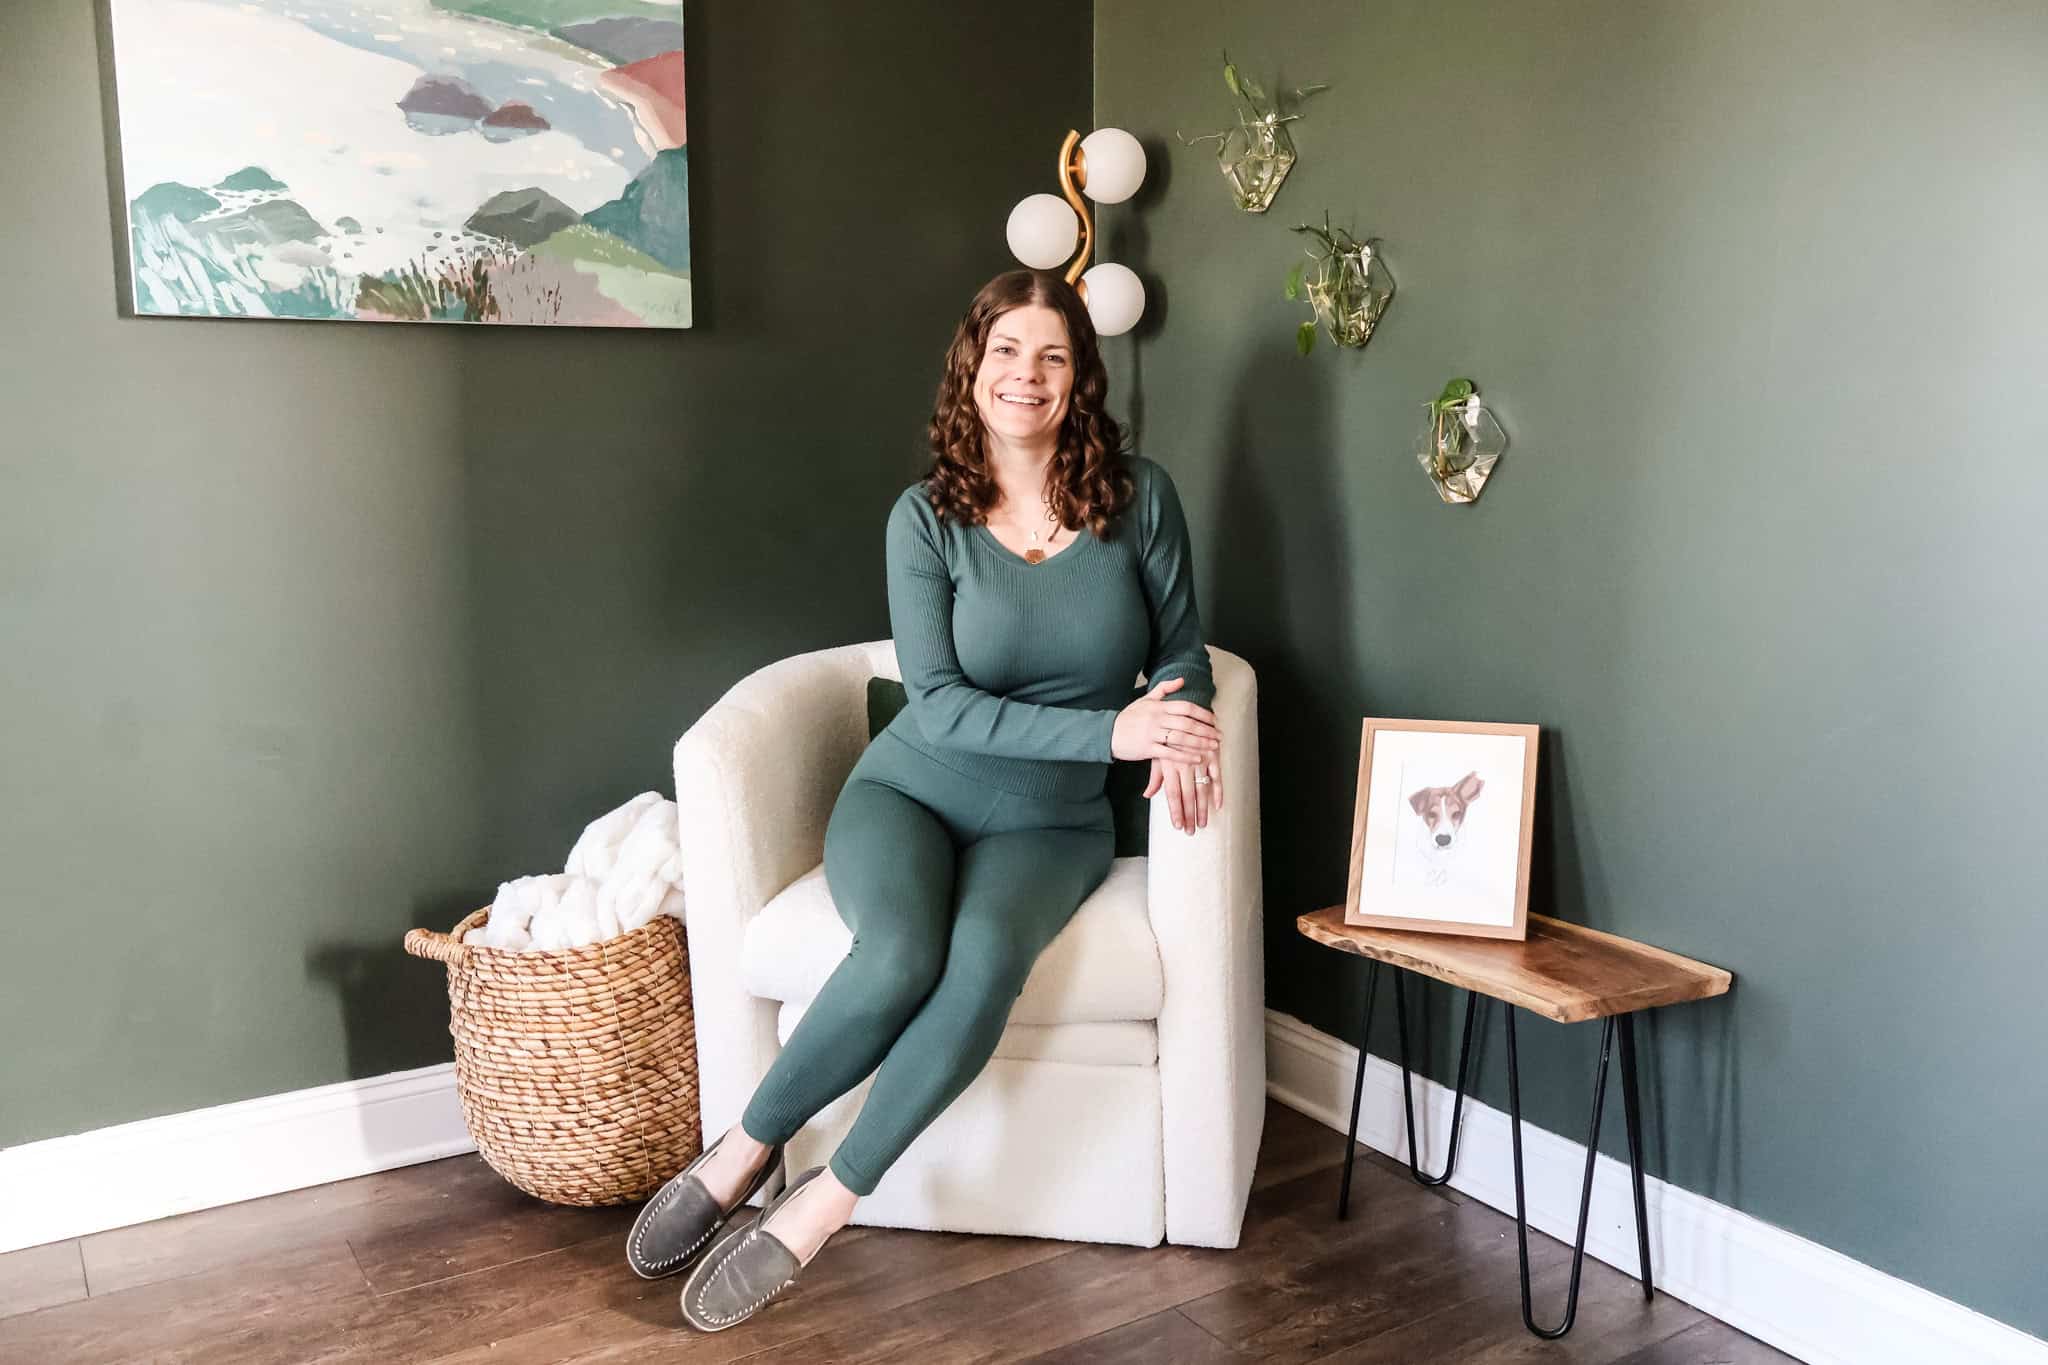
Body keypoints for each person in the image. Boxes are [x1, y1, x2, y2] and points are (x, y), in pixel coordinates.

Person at [629, 268, 1225, 1331]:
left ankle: (822, 1203)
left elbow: (1180, 646)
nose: (1025, 375)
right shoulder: (927, 517)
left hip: (1052, 822)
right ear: (972, 365)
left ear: (1079, 375)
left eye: (1051, 354)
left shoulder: (1141, 501)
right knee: (900, 952)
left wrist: (1181, 721)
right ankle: (745, 1148)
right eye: (1005, 351)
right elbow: (940, 706)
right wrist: (1112, 729)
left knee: (985, 959)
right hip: (911, 790)